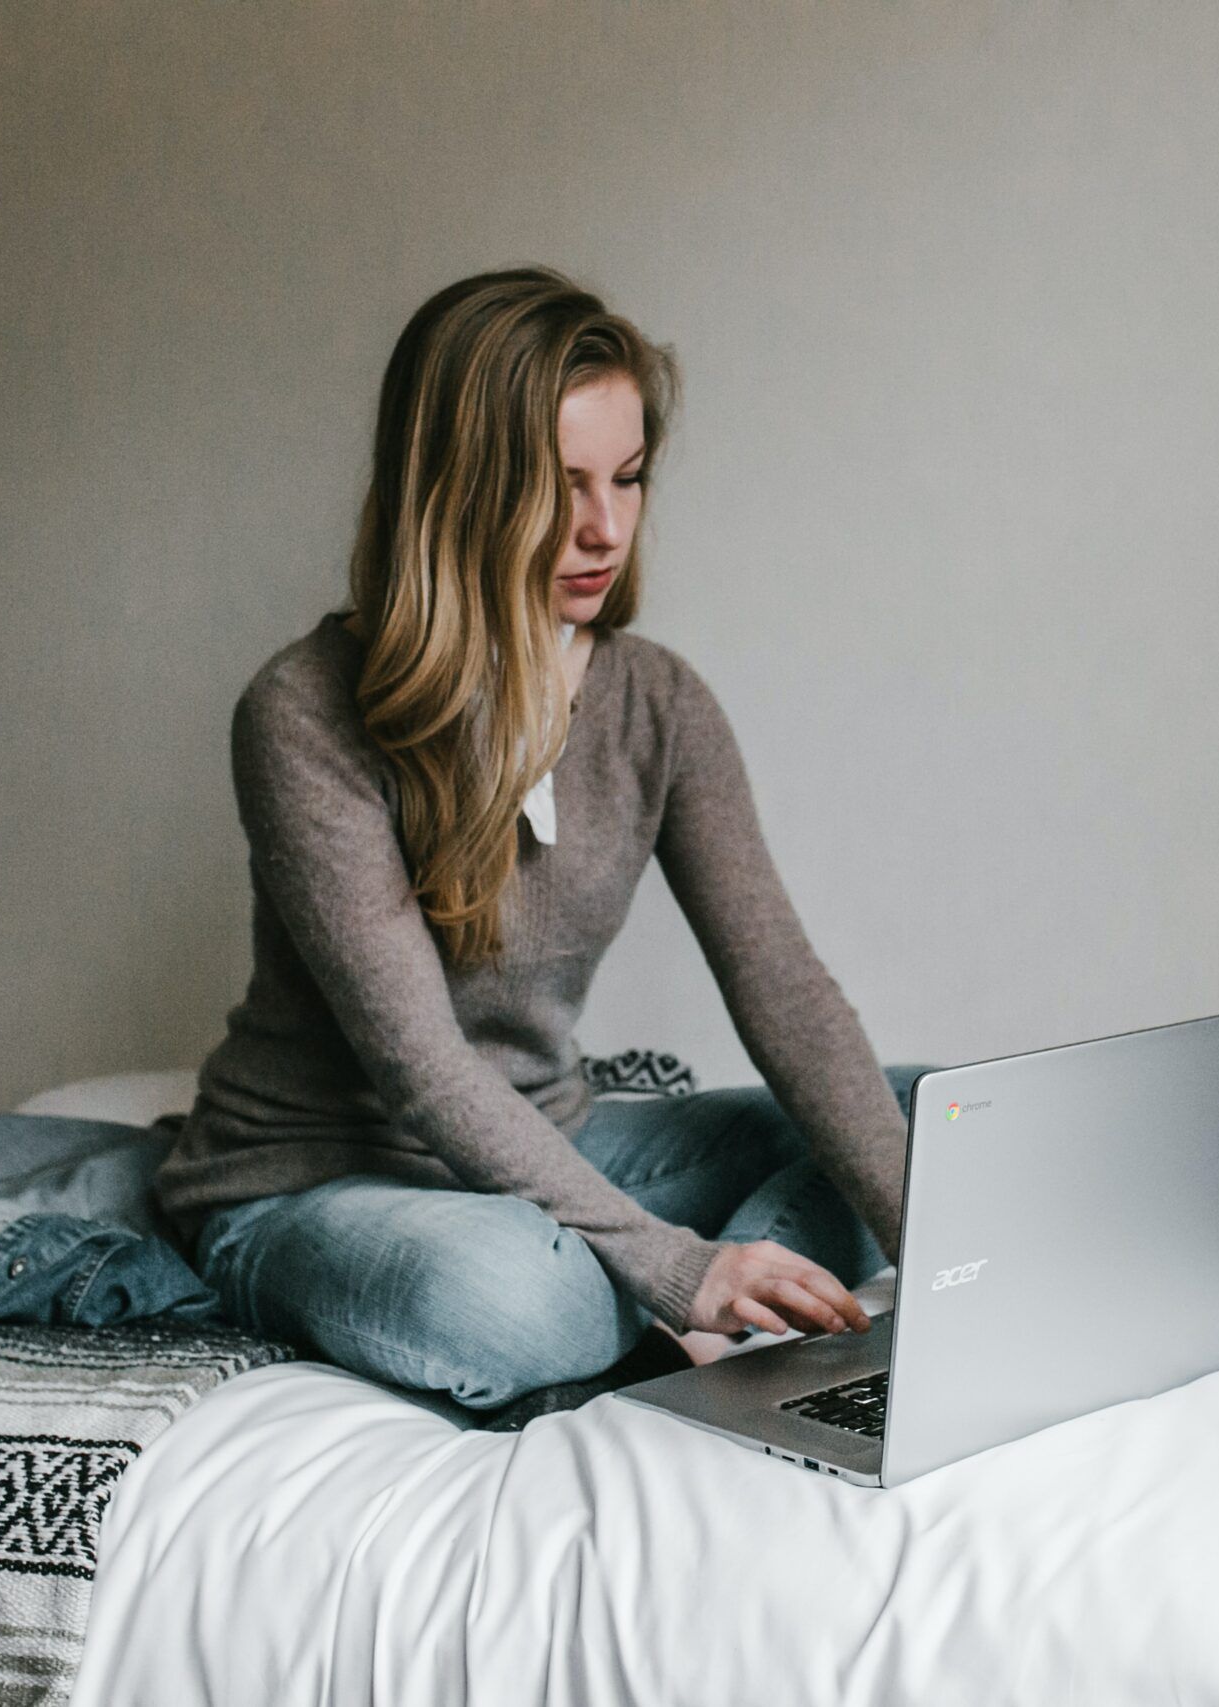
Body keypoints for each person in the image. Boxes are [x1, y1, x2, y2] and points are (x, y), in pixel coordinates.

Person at [151, 266, 925, 1427]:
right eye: (554, 487)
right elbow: (422, 1067)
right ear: (455, 488)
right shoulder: (303, 711)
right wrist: (674, 1263)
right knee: (513, 1304)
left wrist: (939, 1238)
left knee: (925, 1117)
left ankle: (727, 1309)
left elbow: (783, 988)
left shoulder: (656, 701)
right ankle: (689, 1296)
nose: (604, 528)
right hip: (319, 1182)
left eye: (627, 478)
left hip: (559, 1146)